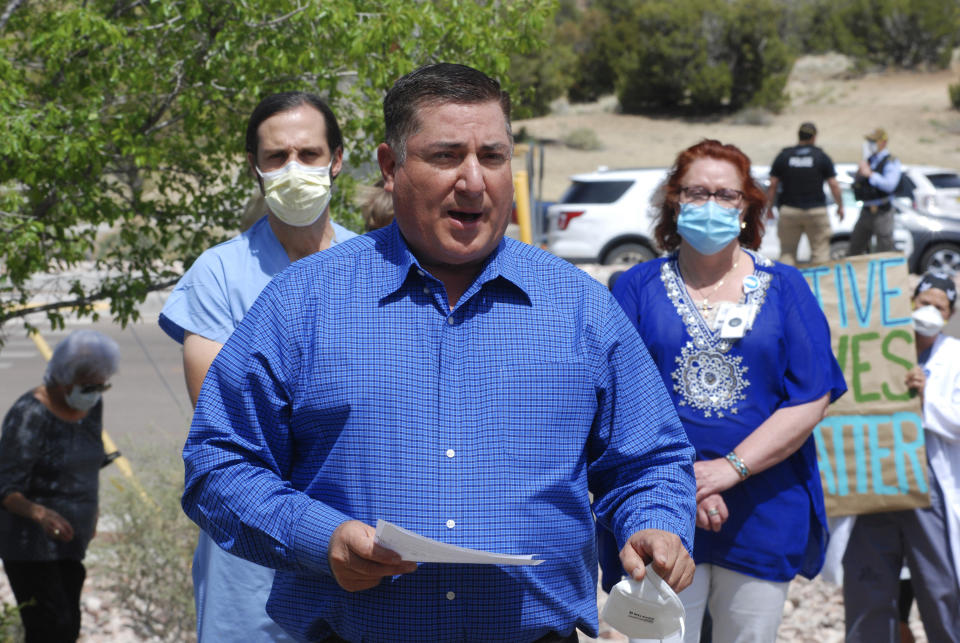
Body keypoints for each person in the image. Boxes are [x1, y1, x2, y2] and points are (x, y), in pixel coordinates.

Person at [180, 62, 697, 642]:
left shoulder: (581, 309)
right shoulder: (302, 302)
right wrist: (319, 537)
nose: (474, 181)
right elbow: (218, 465)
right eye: (447, 156)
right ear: (390, 167)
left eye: (493, 157)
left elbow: (648, 461)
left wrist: (655, 523)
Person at [606, 139, 847, 642]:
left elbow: (811, 397)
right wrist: (685, 485)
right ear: (674, 201)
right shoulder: (635, 287)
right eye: (697, 192)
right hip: (662, 509)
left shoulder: (786, 288)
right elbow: (621, 399)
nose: (711, 205)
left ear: (747, 207)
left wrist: (728, 470)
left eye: (726, 195)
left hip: (764, 505)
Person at [158, 91, 357, 641]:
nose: (295, 169)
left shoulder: (377, 268)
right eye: (276, 157)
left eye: (310, 154)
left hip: (361, 548)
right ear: (256, 167)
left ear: (337, 160)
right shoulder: (218, 274)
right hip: (254, 550)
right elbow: (224, 419)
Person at [842, 272, 960, 642]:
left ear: (951, 313)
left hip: (927, 481)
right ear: (911, 302)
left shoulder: (954, 356)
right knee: (868, 581)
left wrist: (927, 401)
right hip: (876, 474)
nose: (930, 312)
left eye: (939, 307)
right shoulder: (878, 347)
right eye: (924, 303)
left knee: (940, 584)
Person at [0, 330, 119, 642]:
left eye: (101, 385)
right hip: (30, 547)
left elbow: (90, 460)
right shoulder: (29, 414)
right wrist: (40, 514)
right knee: (51, 629)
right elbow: (6, 487)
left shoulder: (92, 406)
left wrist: (92, 512)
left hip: (71, 544)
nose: (96, 393)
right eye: (89, 386)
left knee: (69, 627)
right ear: (63, 380)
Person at [765, 121, 844, 265]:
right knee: (820, 255)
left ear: (798, 136)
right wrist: (840, 206)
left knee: (787, 253)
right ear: (814, 137)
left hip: (789, 210)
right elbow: (833, 184)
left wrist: (769, 207)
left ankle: (787, 287)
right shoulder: (821, 156)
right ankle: (820, 286)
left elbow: (773, 184)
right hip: (816, 211)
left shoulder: (784, 156)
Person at [848, 127, 902, 256]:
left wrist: (870, 174)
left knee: (885, 249)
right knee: (855, 247)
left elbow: (890, 185)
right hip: (866, 210)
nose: (870, 145)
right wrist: (859, 174)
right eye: (869, 141)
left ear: (883, 142)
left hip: (882, 211)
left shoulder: (891, 161)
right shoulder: (869, 160)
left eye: (873, 141)